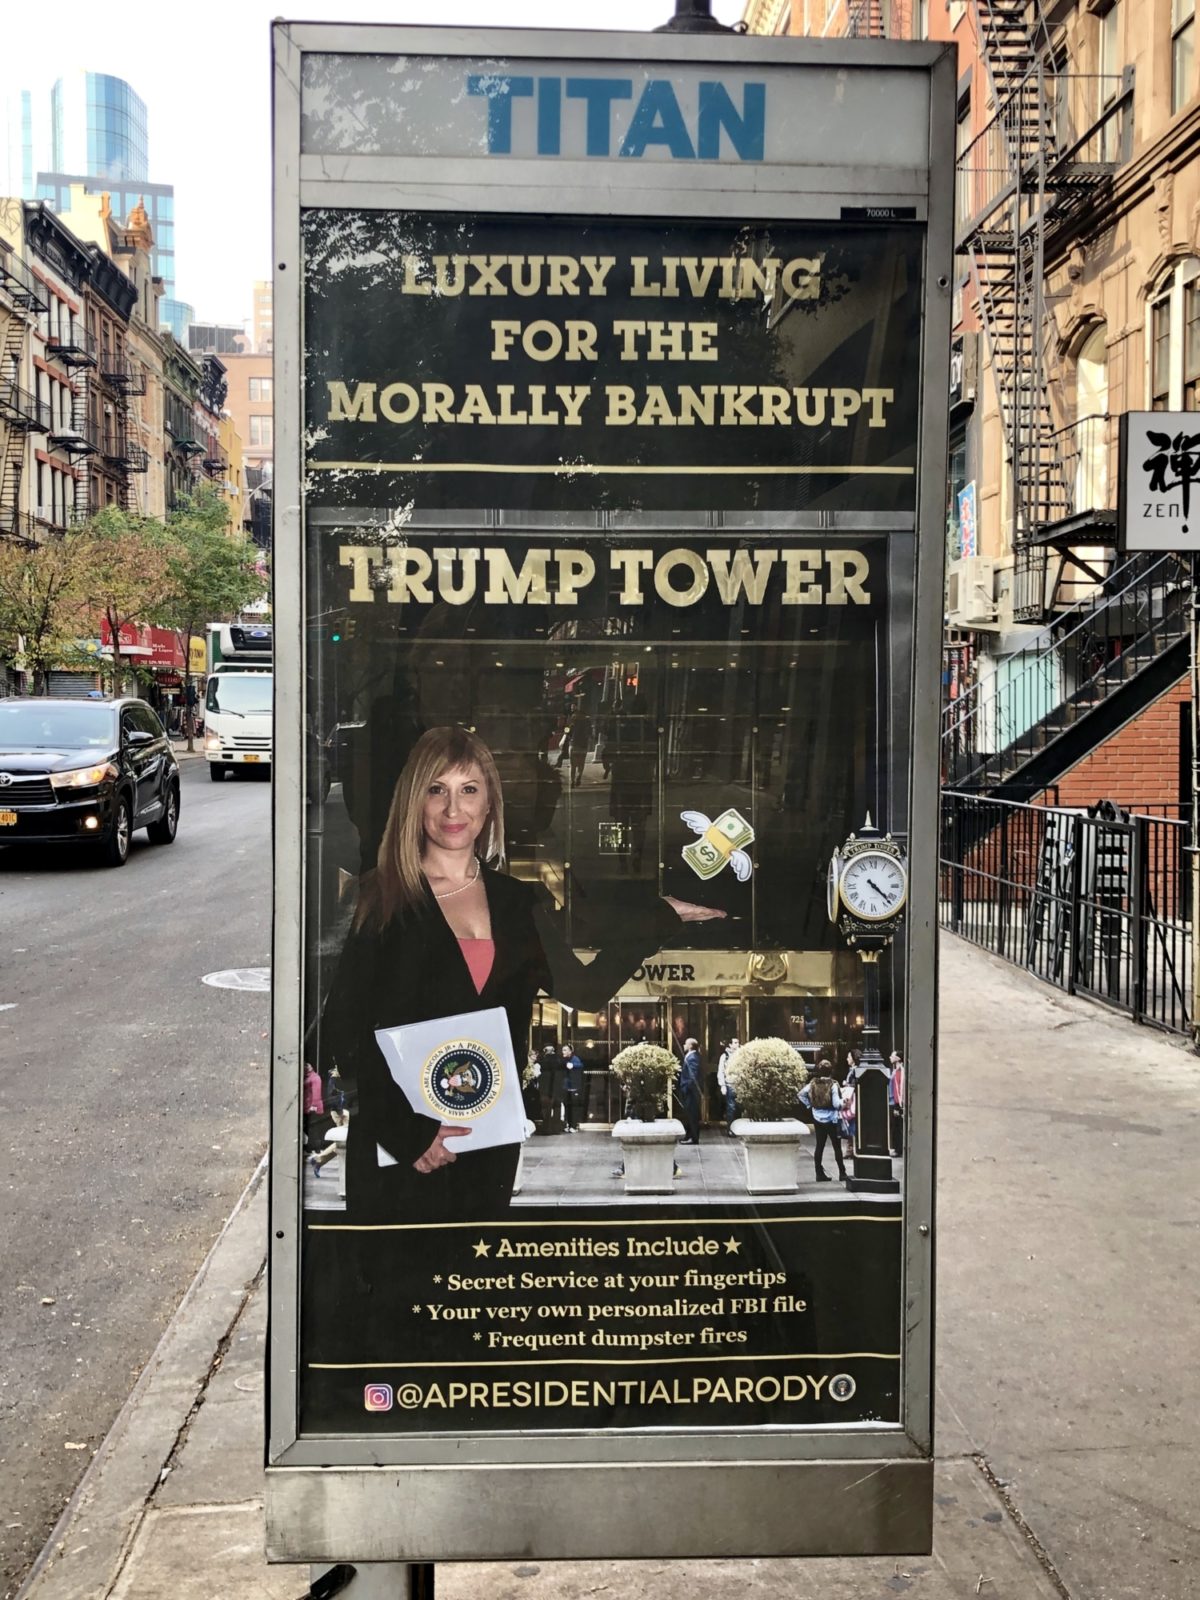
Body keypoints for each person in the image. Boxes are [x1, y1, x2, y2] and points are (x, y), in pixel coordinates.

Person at [321, 725, 723, 1221]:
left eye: (469, 790)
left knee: (477, 1286)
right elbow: (339, 1031)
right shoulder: (374, 899)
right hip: (398, 1151)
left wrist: (657, 917)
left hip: (484, 1148)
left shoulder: (518, 902)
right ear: (413, 801)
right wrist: (407, 1132)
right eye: (437, 790)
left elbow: (585, 989)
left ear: (489, 806)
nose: (453, 809)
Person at [799, 1058, 847, 1183]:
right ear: (831, 1071)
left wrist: (810, 1105)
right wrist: (844, 1103)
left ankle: (819, 1173)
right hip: (832, 1119)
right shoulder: (833, 1084)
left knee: (819, 1146)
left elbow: (801, 1094)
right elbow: (837, 1104)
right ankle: (842, 1173)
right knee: (837, 1147)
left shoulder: (813, 1083)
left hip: (817, 1118)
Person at [678, 1038, 703, 1145]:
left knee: (692, 1115)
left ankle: (693, 1138)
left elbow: (693, 1075)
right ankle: (688, 1135)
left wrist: (686, 1087)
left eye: (686, 1044)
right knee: (688, 1114)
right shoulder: (691, 1056)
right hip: (689, 1091)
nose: (684, 1045)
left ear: (690, 1046)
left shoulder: (693, 1057)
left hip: (691, 1092)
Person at [716, 1037, 740, 1133]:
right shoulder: (724, 1056)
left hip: (740, 1084)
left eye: (737, 1042)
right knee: (731, 1107)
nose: (737, 1044)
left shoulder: (742, 1055)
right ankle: (730, 1129)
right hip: (730, 1084)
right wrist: (722, 1085)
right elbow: (721, 1071)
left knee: (739, 1108)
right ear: (730, 1044)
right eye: (735, 1042)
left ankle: (738, 1128)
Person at [560, 1042, 584, 1130]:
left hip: (574, 1087)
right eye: (563, 1050)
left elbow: (581, 1065)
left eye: (565, 1050)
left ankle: (574, 1126)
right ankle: (568, 1125)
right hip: (566, 1087)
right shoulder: (564, 1060)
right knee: (567, 1107)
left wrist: (573, 1065)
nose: (563, 1051)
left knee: (574, 1108)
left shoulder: (575, 1059)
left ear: (570, 1051)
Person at [889, 1050, 906, 1156]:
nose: (890, 1057)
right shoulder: (896, 1071)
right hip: (894, 1102)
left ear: (898, 1059)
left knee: (897, 1127)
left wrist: (897, 1106)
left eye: (893, 1055)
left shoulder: (899, 1072)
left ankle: (898, 1149)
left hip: (896, 1103)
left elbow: (898, 1090)